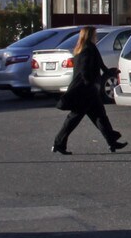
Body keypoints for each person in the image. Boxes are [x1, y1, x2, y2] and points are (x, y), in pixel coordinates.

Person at [53, 26, 126, 155]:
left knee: (99, 116)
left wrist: (112, 72)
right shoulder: (87, 50)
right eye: (95, 34)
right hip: (84, 91)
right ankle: (58, 143)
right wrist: (90, 83)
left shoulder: (85, 48)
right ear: (89, 35)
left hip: (87, 90)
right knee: (74, 118)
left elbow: (101, 66)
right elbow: (84, 70)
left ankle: (112, 141)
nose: (96, 36)